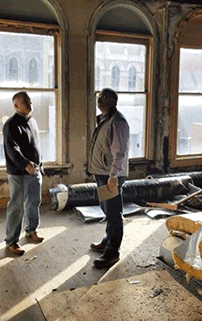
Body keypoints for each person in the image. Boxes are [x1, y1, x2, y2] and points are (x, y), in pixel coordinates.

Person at [87, 88, 130, 268]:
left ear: (113, 101)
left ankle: (112, 252)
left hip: (110, 174)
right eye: (98, 96)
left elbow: (119, 152)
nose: (99, 99)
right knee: (106, 208)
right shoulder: (105, 119)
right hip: (102, 173)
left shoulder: (117, 122)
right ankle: (107, 239)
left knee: (113, 213)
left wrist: (114, 176)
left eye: (103, 97)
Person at [3, 91, 44, 256]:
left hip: (34, 170)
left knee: (34, 202)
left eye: (29, 100)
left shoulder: (32, 121)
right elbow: (12, 149)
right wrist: (25, 164)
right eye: (25, 101)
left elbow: (36, 145)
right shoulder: (11, 124)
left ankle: (31, 231)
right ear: (16, 106)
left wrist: (40, 164)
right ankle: (11, 241)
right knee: (16, 206)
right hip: (19, 173)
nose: (29, 103)